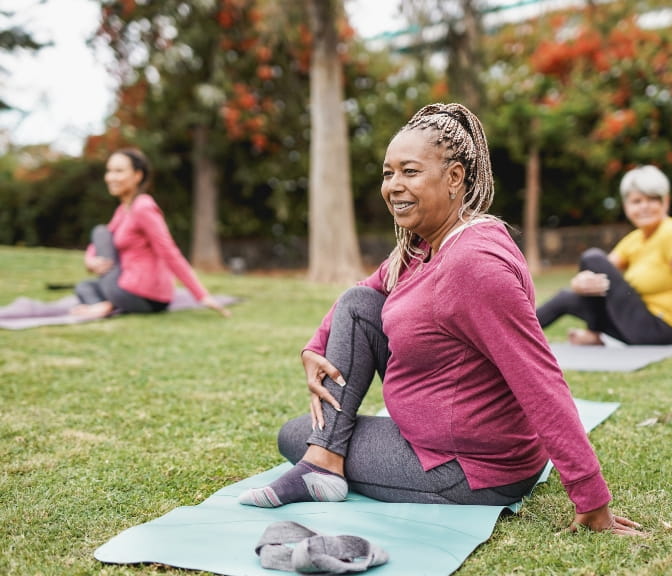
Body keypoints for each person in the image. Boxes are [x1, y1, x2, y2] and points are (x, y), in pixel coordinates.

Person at [237, 103, 642, 535]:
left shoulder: (473, 265)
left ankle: (322, 461)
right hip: (437, 441)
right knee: (358, 305)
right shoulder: (425, 245)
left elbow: (539, 379)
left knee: (293, 434)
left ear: (454, 178)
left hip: (470, 469)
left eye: (409, 171)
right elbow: (365, 292)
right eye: (387, 173)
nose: (393, 185)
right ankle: (325, 460)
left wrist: (591, 498)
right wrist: (314, 347)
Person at [536, 165, 672, 358]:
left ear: (665, 201)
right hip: (633, 324)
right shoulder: (635, 239)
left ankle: (593, 334)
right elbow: (600, 271)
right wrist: (579, 283)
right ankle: (511, 339)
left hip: (660, 329)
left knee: (592, 256)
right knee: (567, 297)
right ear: (626, 206)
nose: (644, 207)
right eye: (637, 201)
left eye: (652, 199)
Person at [71, 148, 230, 319]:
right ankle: (106, 305)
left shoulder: (143, 207)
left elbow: (169, 252)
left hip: (144, 294)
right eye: (109, 171)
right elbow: (99, 243)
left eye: (119, 171)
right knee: (84, 287)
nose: (110, 177)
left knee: (99, 231)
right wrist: (90, 260)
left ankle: (107, 305)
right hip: (125, 287)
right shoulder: (123, 210)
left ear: (137, 175)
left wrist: (202, 295)